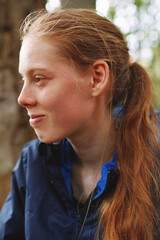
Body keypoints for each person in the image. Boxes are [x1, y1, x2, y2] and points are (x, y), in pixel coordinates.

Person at [0, 8, 160, 240]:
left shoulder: (154, 157)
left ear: (96, 78)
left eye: (39, 79)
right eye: (24, 80)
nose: (23, 98)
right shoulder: (32, 164)